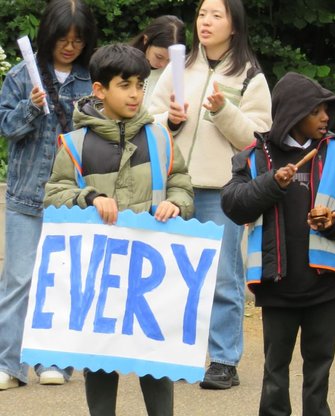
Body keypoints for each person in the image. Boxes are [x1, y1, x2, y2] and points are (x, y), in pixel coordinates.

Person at [43, 43, 194, 416]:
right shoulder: (75, 144)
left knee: (155, 359)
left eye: (140, 85)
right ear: (99, 90)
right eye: (124, 85)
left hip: (150, 270)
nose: (135, 94)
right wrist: (90, 197)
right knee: (100, 359)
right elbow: (54, 195)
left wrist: (176, 202)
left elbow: (181, 183)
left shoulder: (160, 137)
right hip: (100, 272)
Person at [222, 72, 335, 416]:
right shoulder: (255, 155)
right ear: (292, 113)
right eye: (316, 111)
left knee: (319, 368)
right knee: (275, 370)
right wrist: (272, 183)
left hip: (325, 283)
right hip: (277, 283)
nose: (325, 118)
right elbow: (233, 203)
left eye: (326, 111)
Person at [149, 0, 272, 390]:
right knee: (170, 271)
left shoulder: (251, 76)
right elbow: (147, 120)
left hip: (225, 191)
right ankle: (171, 352)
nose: (206, 21)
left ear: (234, 25)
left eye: (217, 15)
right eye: (203, 14)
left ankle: (222, 359)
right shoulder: (178, 66)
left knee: (223, 277)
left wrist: (223, 112)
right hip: (174, 186)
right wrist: (168, 119)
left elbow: (258, 140)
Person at [0, 0, 98, 390]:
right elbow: (5, 126)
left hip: (70, 199)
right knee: (18, 281)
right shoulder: (23, 75)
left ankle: (54, 361)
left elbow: (100, 133)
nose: (70, 46)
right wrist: (29, 108)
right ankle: (9, 364)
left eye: (78, 40)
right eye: (63, 38)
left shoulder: (92, 79)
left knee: (62, 282)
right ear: (48, 36)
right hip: (25, 197)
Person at [130, 15, 185, 100]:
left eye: (170, 60)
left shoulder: (177, 75)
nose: (163, 65)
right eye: (159, 57)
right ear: (146, 40)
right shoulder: (124, 64)